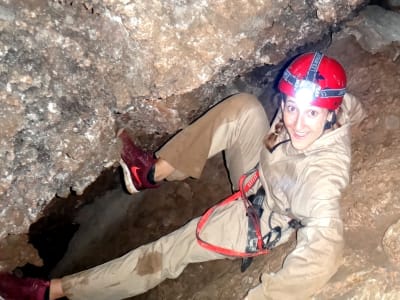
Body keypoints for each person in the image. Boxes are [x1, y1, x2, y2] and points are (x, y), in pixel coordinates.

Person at [0, 51, 366, 300]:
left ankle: (51, 291)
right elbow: (352, 107)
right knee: (243, 108)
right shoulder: (337, 109)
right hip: (263, 171)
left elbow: (324, 254)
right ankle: (151, 172)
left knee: (166, 253)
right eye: (291, 108)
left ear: (328, 113)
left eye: (312, 115)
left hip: (264, 213)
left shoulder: (322, 180)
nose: (297, 123)